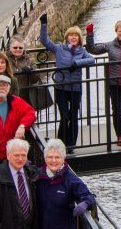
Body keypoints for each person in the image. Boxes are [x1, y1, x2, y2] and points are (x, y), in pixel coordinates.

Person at [39, 13, 96, 150]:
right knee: (64, 116)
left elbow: (92, 60)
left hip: (75, 87)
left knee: (74, 116)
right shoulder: (59, 48)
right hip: (61, 87)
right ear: (67, 37)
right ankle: (60, 144)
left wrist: (77, 63)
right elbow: (45, 41)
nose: (73, 37)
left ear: (79, 38)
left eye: (76, 36)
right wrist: (44, 24)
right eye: (71, 35)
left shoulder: (82, 51)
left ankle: (70, 145)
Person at [0, 33, 53, 112]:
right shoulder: (4, 58)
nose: (18, 49)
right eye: (15, 47)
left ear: (24, 48)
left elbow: (36, 79)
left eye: (20, 47)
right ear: (10, 48)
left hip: (25, 98)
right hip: (7, 96)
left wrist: (31, 71)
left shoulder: (29, 60)